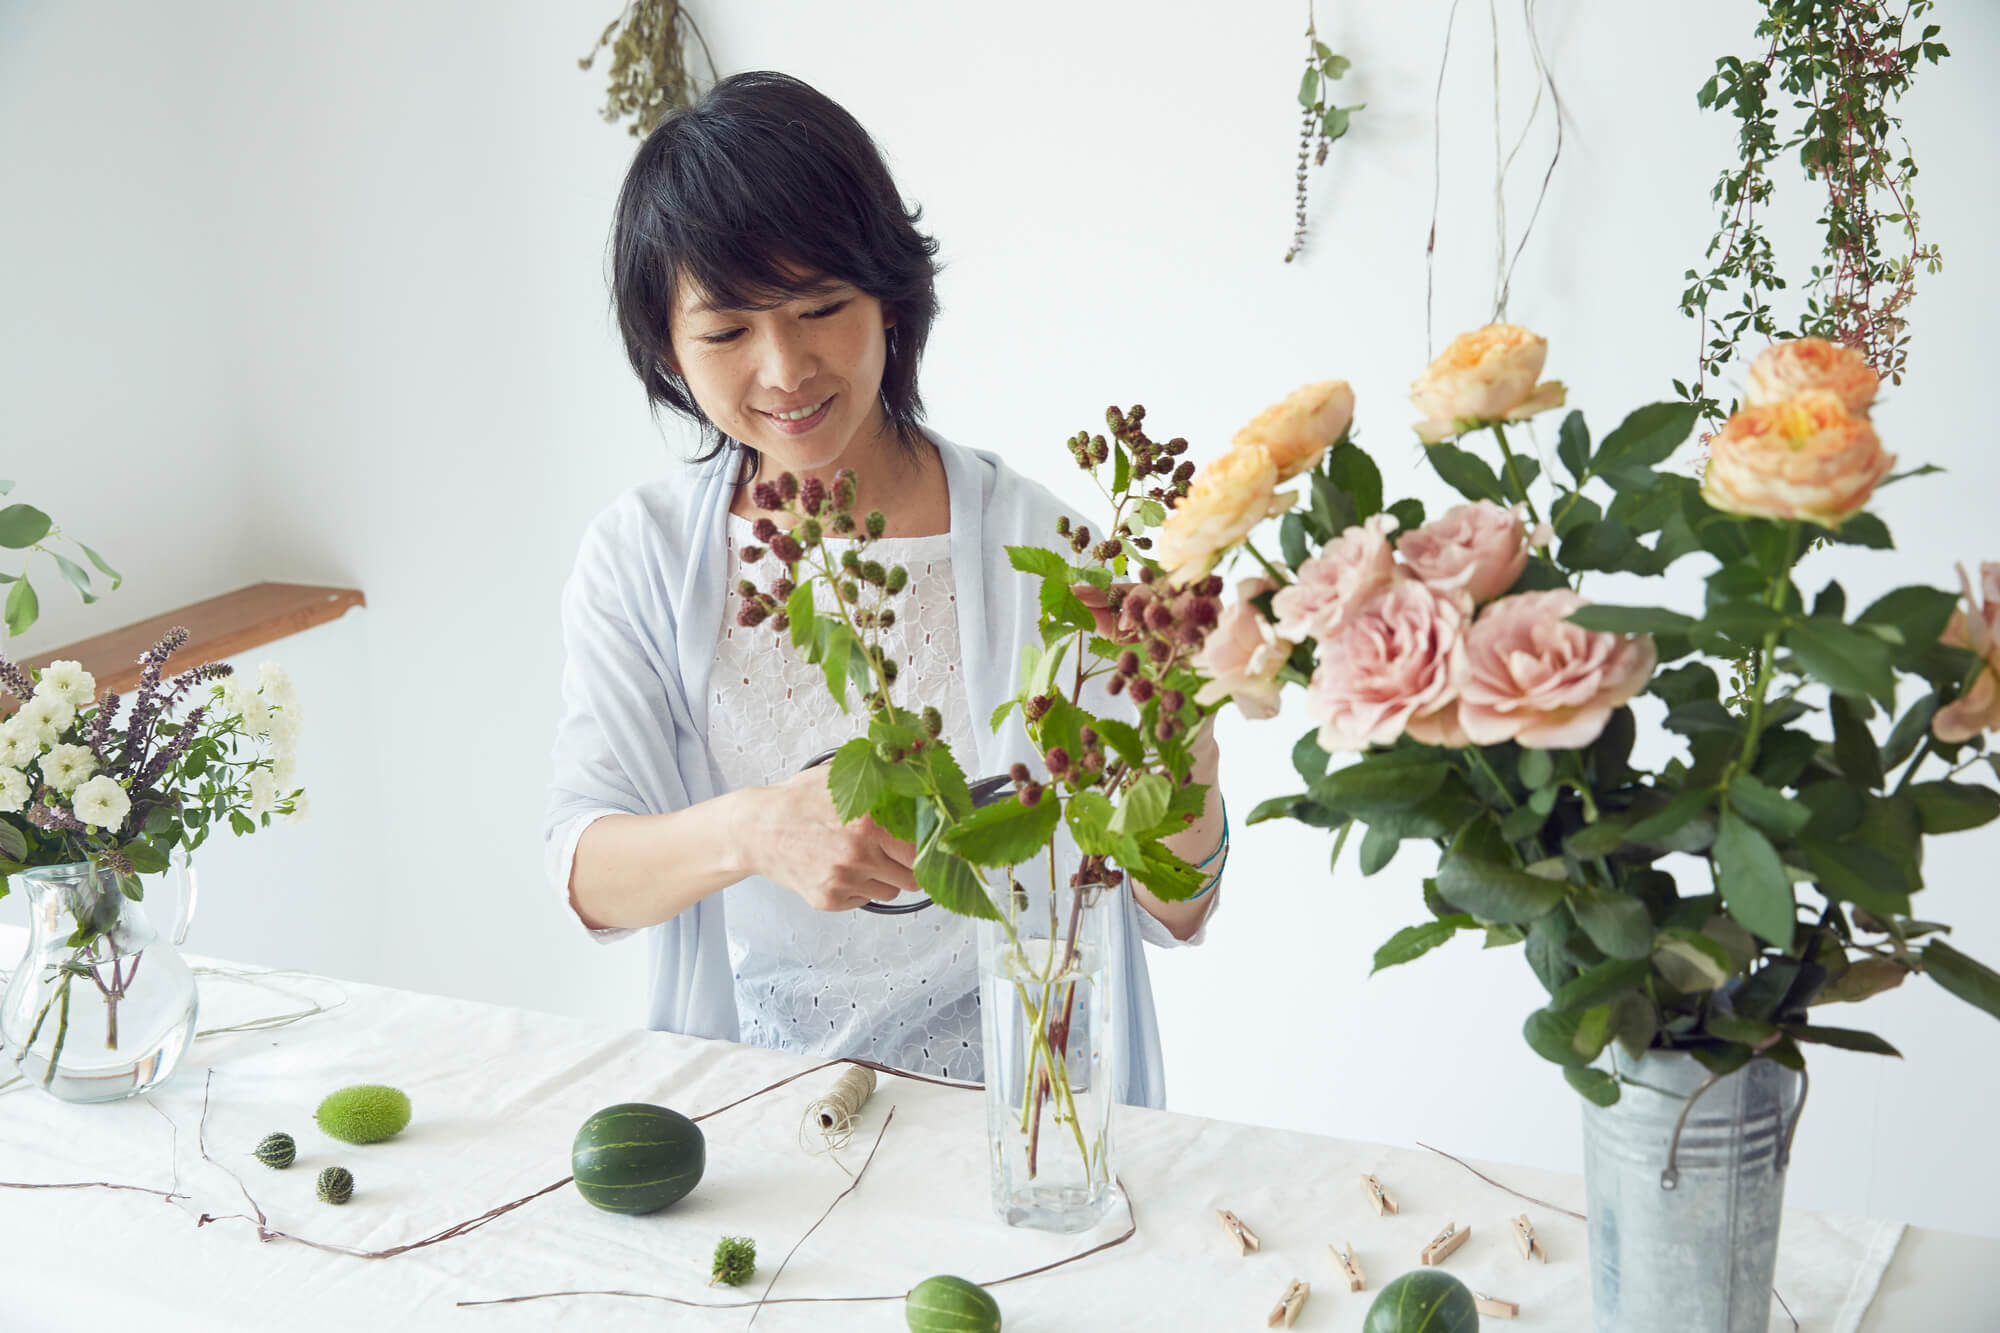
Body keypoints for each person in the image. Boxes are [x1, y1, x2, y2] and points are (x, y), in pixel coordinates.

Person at [543, 71, 1224, 1107]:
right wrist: (753, 829)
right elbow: (589, 875)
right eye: (727, 331)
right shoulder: (638, 559)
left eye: (821, 307)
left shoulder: (1045, 551)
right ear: (666, 347)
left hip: (1028, 1112)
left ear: (892, 302)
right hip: (757, 1110)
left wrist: (1189, 737)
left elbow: (1174, 906)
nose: (784, 368)